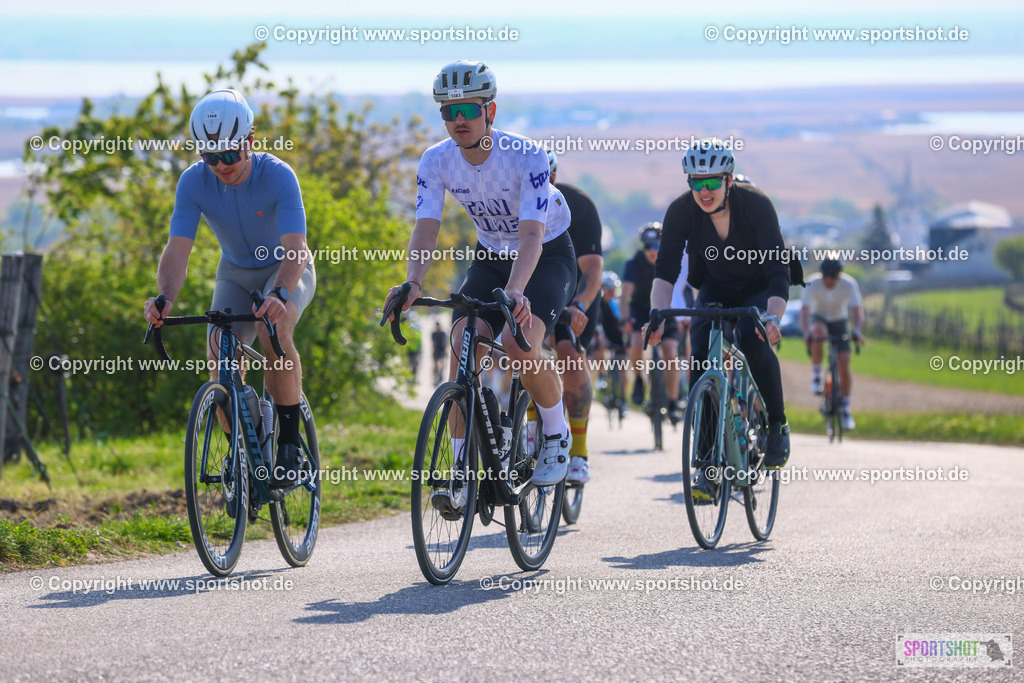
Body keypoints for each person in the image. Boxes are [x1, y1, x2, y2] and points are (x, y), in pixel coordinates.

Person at [383, 60, 576, 512]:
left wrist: (518, 290)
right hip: (490, 256)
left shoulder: (525, 155)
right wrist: (412, 282)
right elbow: (426, 228)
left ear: (490, 110)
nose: (458, 120)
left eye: (468, 109)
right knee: (461, 344)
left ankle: (555, 431)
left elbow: (532, 234)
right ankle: (460, 471)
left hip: (546, 254)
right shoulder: (436, 160)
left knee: (518, 341)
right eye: (448, 112)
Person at [143, 88, 317, 487]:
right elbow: (177, 249)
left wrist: (279, 294)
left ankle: (290, 445)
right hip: (235, 273)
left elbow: (297, 247)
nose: (220, 165)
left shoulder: (279, 175)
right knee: (218, 353)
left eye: (229, 155)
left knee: (274, 331)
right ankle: (242, 450)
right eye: (210, 157)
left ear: (250, 141)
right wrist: (165, 298)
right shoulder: (193, 182)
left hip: (285, 269)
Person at [646, 137, 791, 502]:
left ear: (729, 180)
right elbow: (665, 272)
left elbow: (778, 271)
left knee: (752, 339)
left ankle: (777, 423)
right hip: (714, 288)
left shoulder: (756, 204)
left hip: (758, 289)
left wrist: (773, 317)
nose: (704, 191)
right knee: (701, 359)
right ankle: (707, 465)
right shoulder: (681, 211)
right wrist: (657, 315)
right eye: (696, 182)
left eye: (712, 182)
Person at [547, 150, 604, 484]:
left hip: (577, 291)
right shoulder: (509, 203)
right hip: (535, 286)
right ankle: (530, 430)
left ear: (554, 178)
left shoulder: (579, 205)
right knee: (521, 347)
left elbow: (593, 269)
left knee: (568, 351)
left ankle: (579, 453)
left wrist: (580, 305)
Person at [621, 223, 684, 423]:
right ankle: (639, 379)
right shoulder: (634, 263)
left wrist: (682, 317)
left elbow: (682, 290)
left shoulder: (669, 260)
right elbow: (625, 296)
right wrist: (625, 319)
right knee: (636, 344)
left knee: (670, 353)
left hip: (666, 308)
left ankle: (673, 402)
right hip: (640, 309)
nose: (652, 251)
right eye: (648, 246)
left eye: (656, 246)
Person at [801, 258, 865, 430]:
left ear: (839, 276)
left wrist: (857, 330)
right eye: (826, 277)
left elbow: (857, 311)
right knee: (818, 333)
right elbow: (805, 312)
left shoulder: (849, 284)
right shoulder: (812, 283)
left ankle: (846, 409)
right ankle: (816, 377)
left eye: (833, 278)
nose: (829, 281)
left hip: (839, 320)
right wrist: (806, 333)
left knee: (844, 360)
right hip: (819, 318)